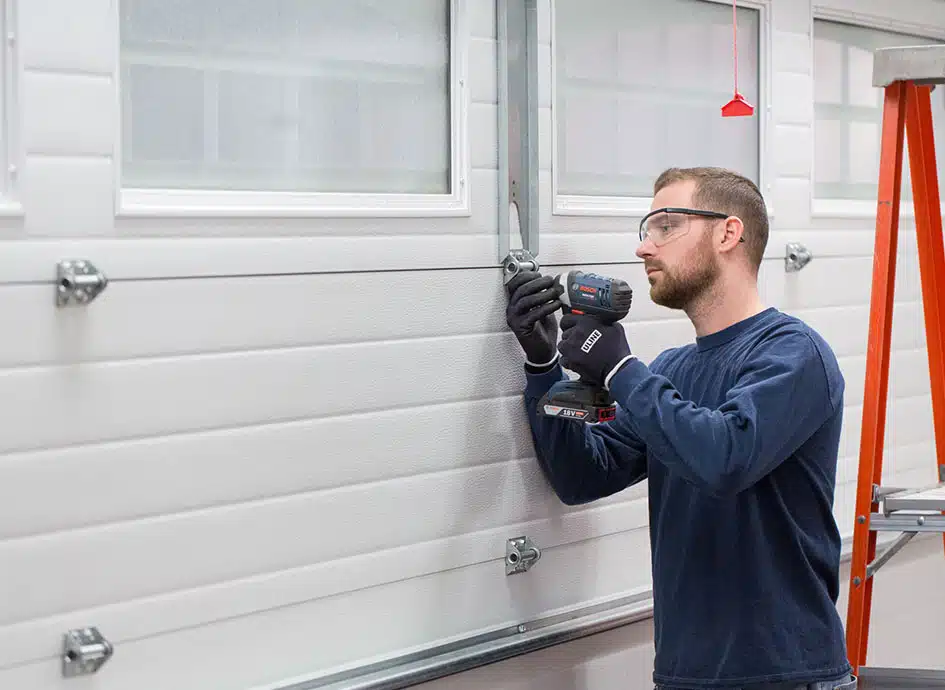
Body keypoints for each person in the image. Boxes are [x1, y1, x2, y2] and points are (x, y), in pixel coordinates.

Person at [505, 167, 855, 690]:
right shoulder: (672, 371)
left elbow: (726, 457)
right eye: (647, 228)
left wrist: (622, 371)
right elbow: (582, 475)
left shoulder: (793, 354)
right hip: (682, 675)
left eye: (666, 225)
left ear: (727, 233)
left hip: (786, 676)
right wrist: (543, 365)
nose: (645, 246)